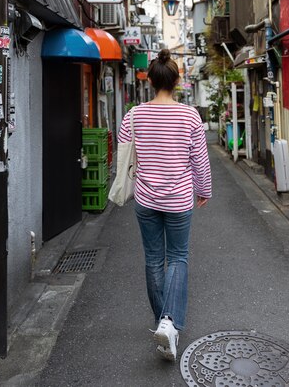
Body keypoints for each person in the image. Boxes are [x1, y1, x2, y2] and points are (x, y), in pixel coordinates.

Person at [117, 49, 212, 361]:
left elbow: (124, 151)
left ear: (149, 78)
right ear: (177, 80)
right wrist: (204, 189)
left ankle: (163, 321)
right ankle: (169, 322)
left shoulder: (133, 115)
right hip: (179, 198)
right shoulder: (189, 115)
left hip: (145, 198)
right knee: (178, 257)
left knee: (154, 259)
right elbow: (199, 158)